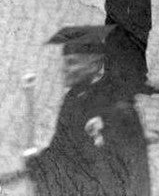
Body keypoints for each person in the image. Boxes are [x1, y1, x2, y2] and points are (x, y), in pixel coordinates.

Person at [22, 25, 150, 196]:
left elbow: (124, 170)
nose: (64, 69)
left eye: (72, 62)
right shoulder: (73, 99)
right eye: (65, 62)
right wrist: (38, 165)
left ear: (94, 65)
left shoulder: (114, 104)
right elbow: (61, 149)